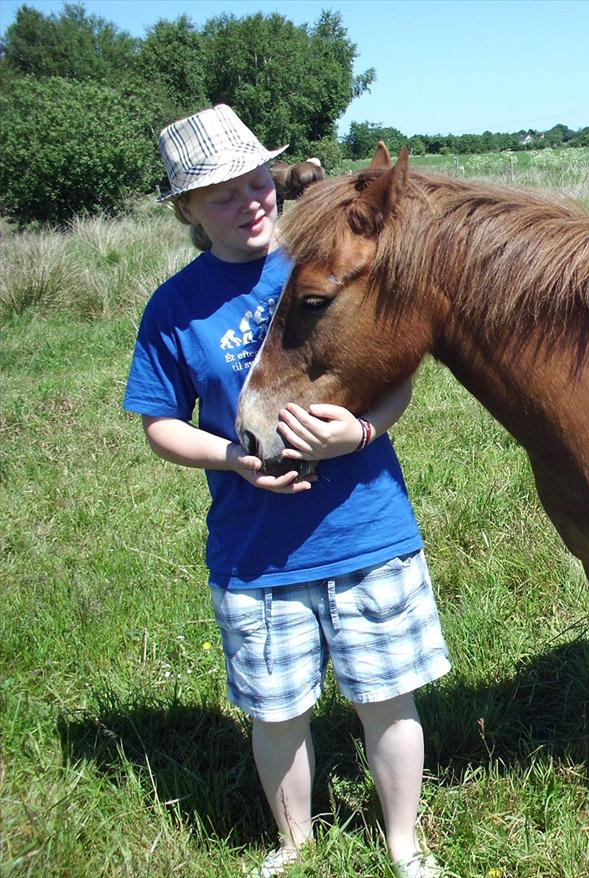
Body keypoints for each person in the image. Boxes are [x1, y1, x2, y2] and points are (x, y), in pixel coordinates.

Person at [123, 105, 450, 878]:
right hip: (256, 555)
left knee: (388, 700)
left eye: (256, 180)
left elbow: (398, 380)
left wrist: (359, 434)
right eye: (222, 196)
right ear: (187, 211)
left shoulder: (325, 259)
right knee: (277, 715)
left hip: (365, 530)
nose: (251, 201)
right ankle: (295, 844)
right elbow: (160, 424)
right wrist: (230, 459)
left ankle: (405, 844)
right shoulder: (175, 307)